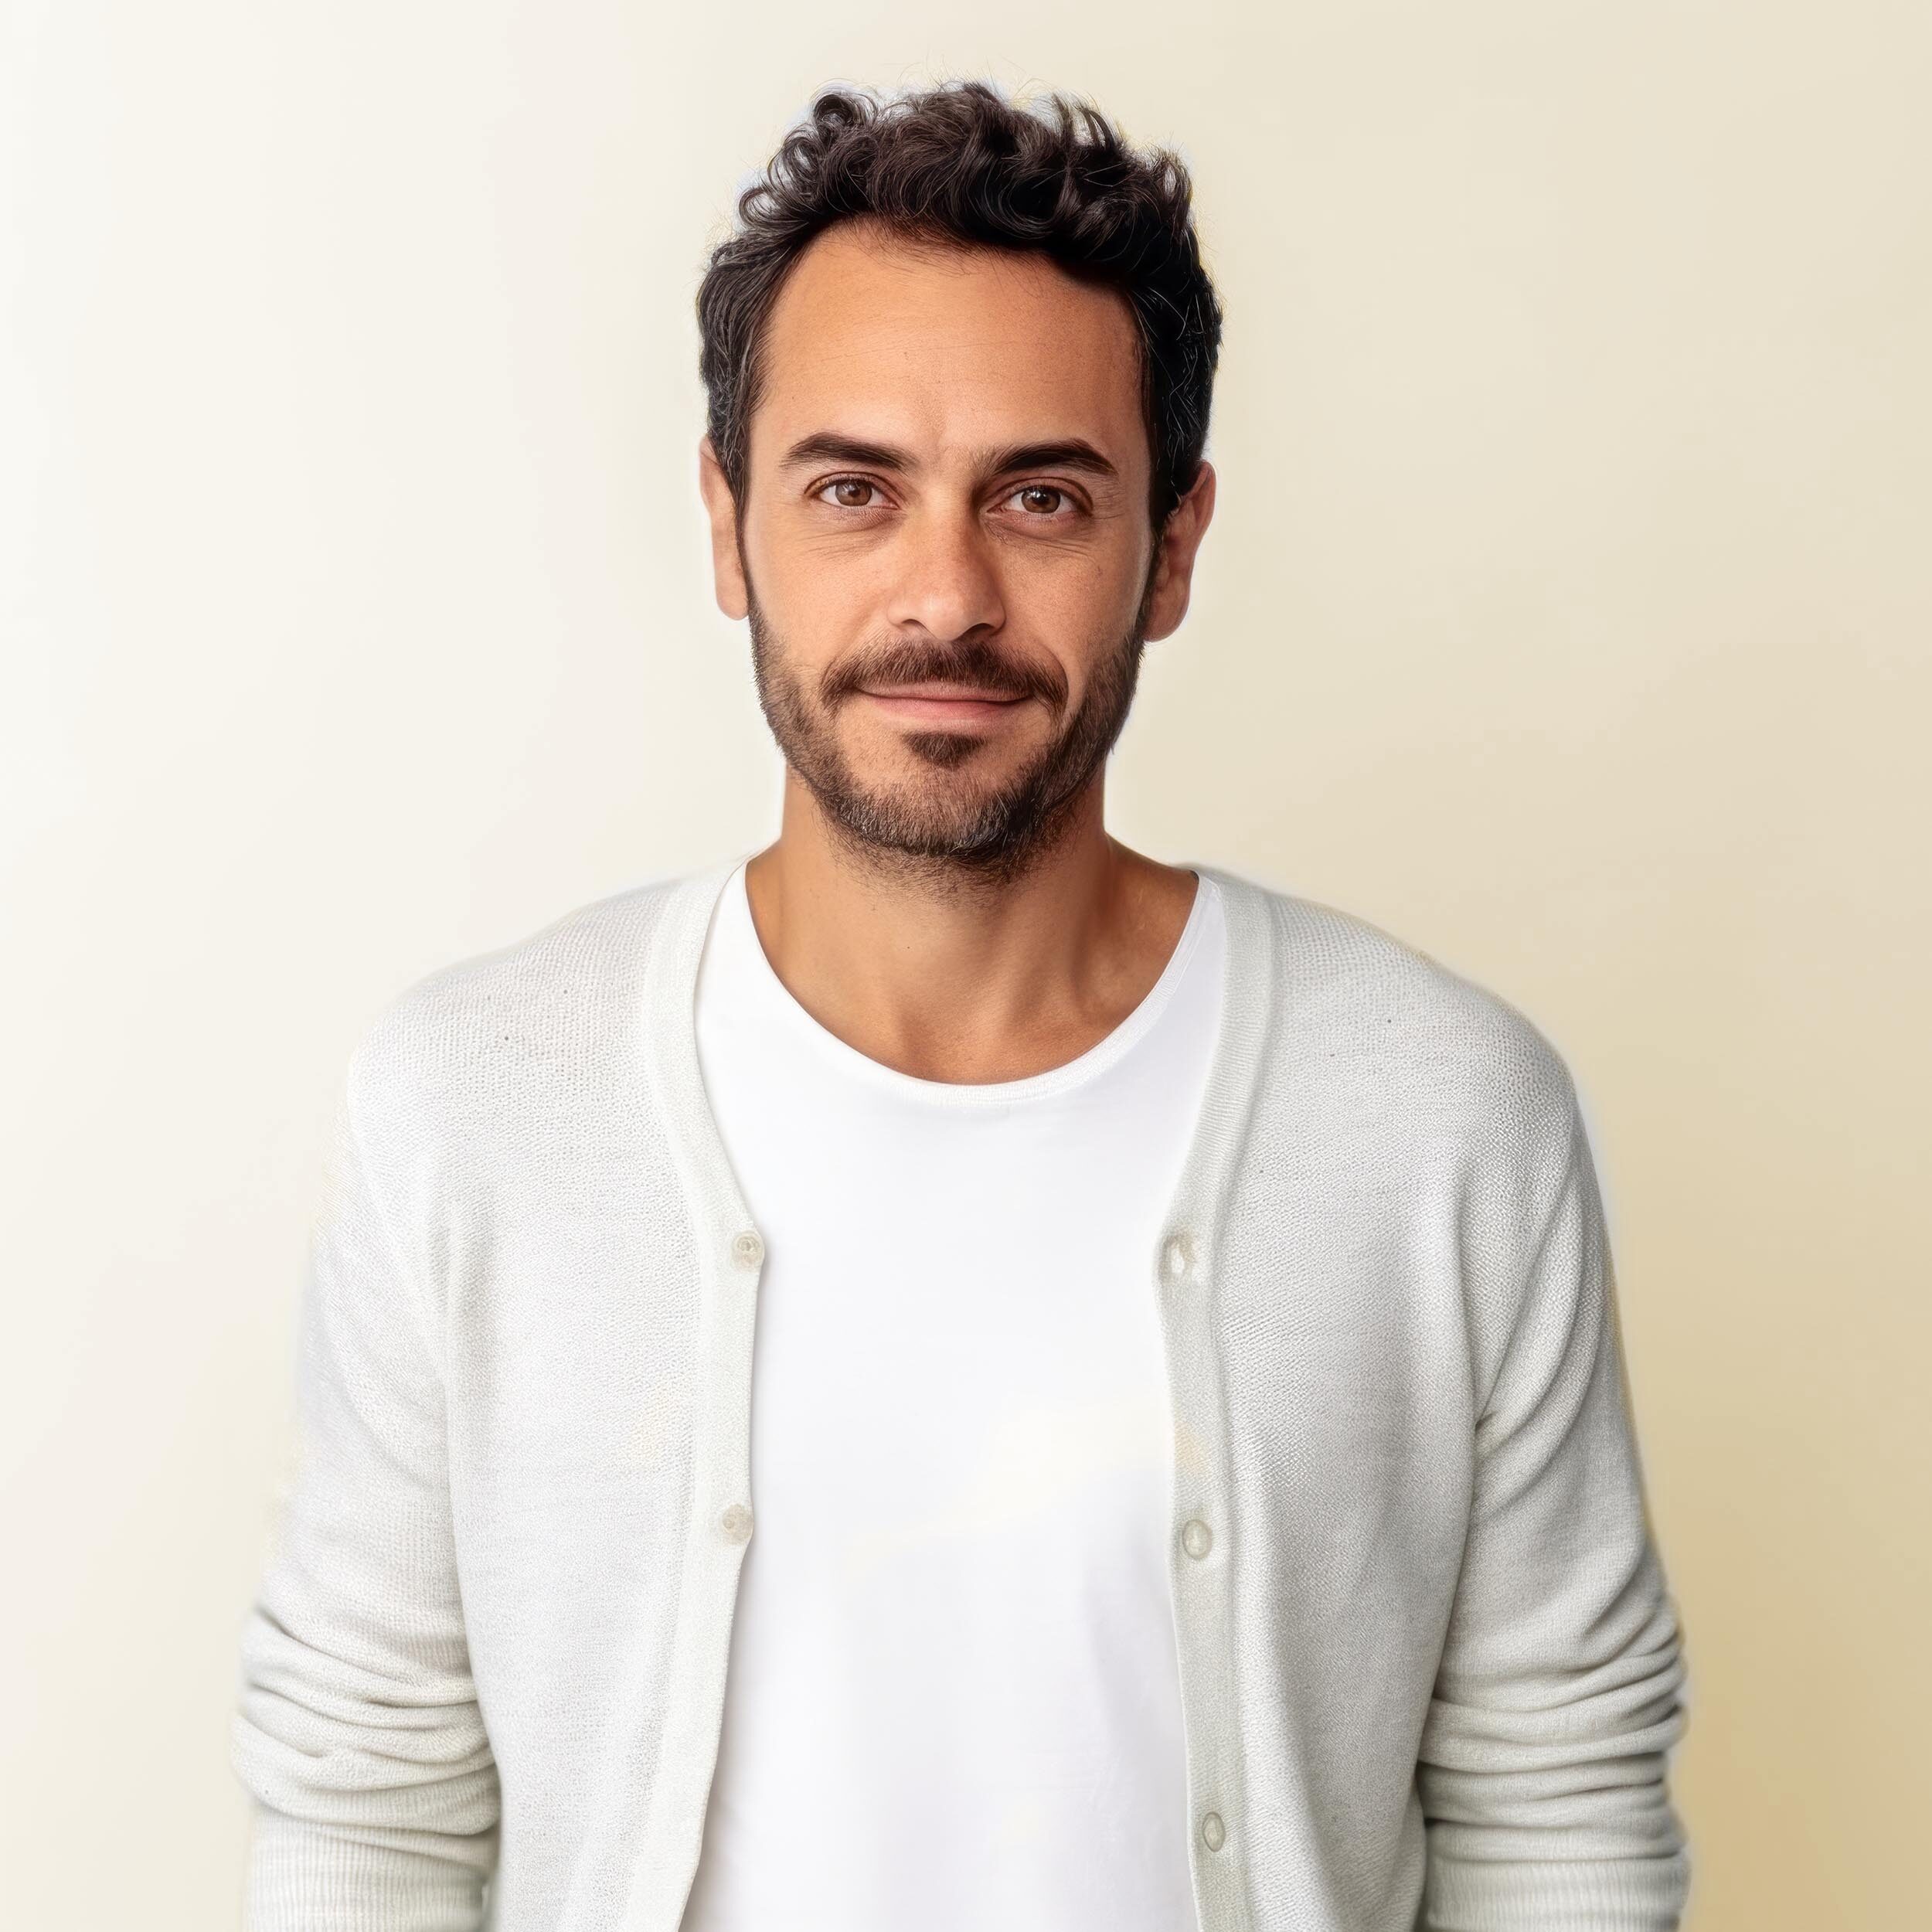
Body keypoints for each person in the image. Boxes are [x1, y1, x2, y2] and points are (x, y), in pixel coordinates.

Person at [229, 78, 1692, 1932]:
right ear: (725, 524)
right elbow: (365, 1792)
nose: (944, 594)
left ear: (1169, 546)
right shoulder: (476, 1101)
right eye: (852, 489)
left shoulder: (1438, 1115)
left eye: (1042, 495)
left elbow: (1552, 1800)